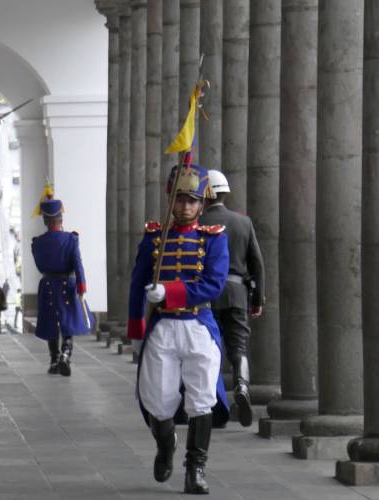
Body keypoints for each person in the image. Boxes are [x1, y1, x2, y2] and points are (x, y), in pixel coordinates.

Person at [127, 162, 229, 494]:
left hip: (198, 324)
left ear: (203, 203)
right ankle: (165, 443)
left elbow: (213, 284)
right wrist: (136, 328)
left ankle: (195, 469)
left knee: (202, 399)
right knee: (158, 398)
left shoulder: (213, 240)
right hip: (163, 328)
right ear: (170, 197)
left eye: (193, 201)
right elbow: (137, 282)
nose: (186, 207)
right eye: (180, 199)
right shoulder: (155, 238)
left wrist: (170, 292)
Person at [200, 170, 265, 428]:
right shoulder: (243, 222)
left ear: (205, 193)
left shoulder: (199, 221)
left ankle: (215, 403)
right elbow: (257, 264)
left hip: (206, 294)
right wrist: (257, 299)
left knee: (209, 349)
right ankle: (242, 385)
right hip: (238, 293)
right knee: (238, 346)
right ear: (225, 193)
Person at [31, 193, 93, 377]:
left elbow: (39, 266)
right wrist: (82, 286)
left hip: (48, 283)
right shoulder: (71, 239)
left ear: (45, 220)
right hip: (67, 284)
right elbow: (77, 264)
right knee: (67, 322)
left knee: (51, 323)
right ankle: (66, 355)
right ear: (61, 219)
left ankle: (53, 360)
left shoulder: (37, 243)